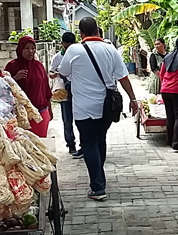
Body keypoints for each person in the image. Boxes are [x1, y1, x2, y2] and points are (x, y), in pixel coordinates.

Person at [59, 17, 138, 201]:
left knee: (89, 143)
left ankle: (98, 186)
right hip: (107, 108)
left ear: (81, 33)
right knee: (99, 139)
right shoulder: (111, 50)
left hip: (83, 108)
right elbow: (123, 78)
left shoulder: (74, 50)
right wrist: (133, 99)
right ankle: (99, 177)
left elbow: (63, 71)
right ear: (97, 31)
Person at [5, 36, 53, 138]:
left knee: (40, 146)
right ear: (20, 49)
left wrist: (49, 109)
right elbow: (3, 89)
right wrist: (15, 78)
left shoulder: (39, 66)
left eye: (33, 48)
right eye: (27, 48)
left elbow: (46, 89)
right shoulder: (12, 66)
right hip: (21, 116)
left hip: (40, 113)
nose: (31, 51)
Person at [49, 32, 83, 158]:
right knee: (67, 120)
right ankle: (71, 144)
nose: (68, 49)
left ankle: (83, 145)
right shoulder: (57, 57)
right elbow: (51, 72)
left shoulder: (80, 55)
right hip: (64, 91)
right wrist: (54, 75)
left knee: (81, 119)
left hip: (78, 91)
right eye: (66, 46)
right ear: (62, 44)